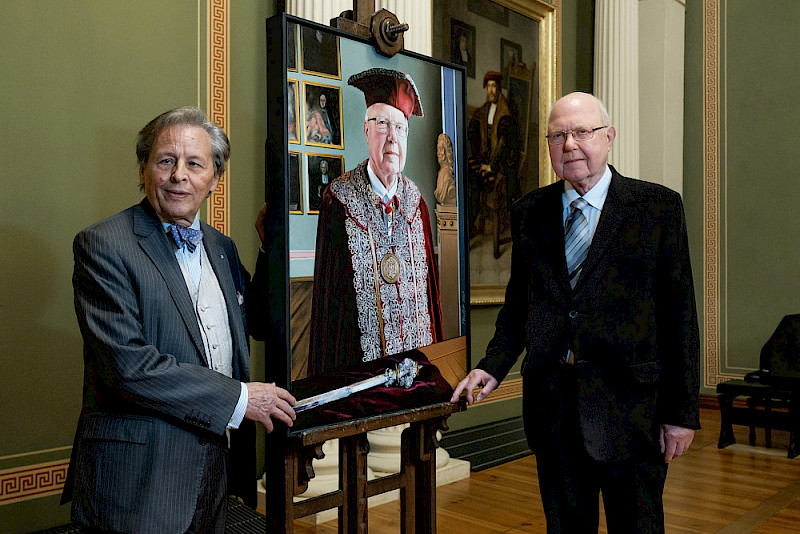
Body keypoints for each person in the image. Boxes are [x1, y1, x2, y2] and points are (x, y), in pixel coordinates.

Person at [452, 92, 700, 533]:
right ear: (548, 146)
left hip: (632, 411)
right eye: (558, 135)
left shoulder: (657, 209)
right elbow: (518, 308)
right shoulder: (530, 212)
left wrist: (681, 413)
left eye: (582, 132)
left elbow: (679, 317)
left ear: (609, 137)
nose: (570, 144)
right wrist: (490, 367)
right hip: (555, 410)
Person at [62, 106, 297, 533]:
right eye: (166, 161)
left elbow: (259, 323)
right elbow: (128, 368)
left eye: (194, 164)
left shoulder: (221, 247)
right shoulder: (103, 246)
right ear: (144, 170)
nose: (178, 175)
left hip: (214, 470)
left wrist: (269, 248)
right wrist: (241, 399)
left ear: (214, 179)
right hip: (139, 480)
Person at [308, 68, 443, 376]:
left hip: (415, 370)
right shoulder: (338, 201)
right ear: (366, 131)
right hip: (360, 373)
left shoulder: (417, 203)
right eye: (382, 124)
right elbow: (330, 310)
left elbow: (430, 300)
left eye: (400, 127)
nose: (392, 137)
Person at [467, 71, 520, 239]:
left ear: (499, 88)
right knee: (467, 170)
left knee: (476, 179)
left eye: (494, 86)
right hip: (488, 157)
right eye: (488, 86)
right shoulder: (487, 107)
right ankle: (472, 219)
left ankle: (471, 224)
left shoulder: (505, 112)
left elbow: (504, 144)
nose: (491, 90)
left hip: (501, 164)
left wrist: (491, 166)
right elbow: (476, 123)